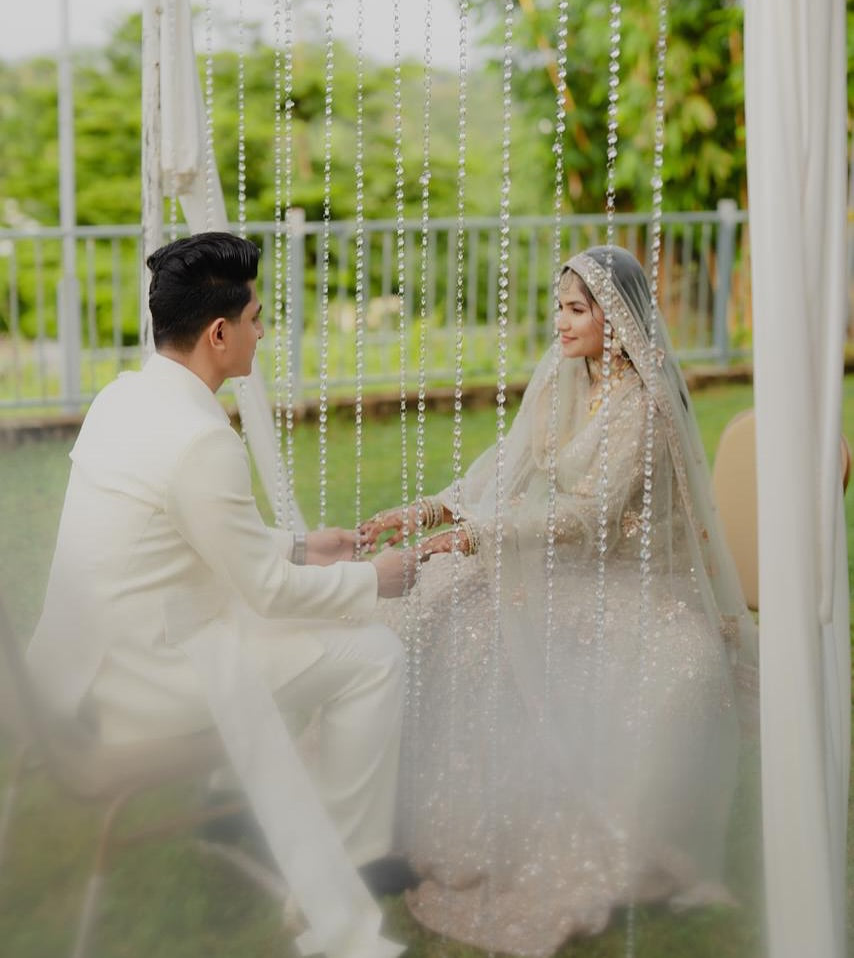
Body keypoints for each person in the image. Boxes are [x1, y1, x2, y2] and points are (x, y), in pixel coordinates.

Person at [361, 245, 760, 957]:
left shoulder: (645, 404)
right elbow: (503, 473)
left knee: (478, 610)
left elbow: (589, 518)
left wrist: (475, 536)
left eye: (577, 310)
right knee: (439, 605)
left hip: (634, 583)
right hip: (566, 570)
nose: (562, 322)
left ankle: (522, 828)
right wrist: (430, 512)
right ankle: (409, 825)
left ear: (617, 319)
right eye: (561, 306)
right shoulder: (563, 377)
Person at [27, 231, 417, 958]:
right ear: (219, 332)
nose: (262, 332)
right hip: (148, 679)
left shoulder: (124, 397)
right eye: (257, 318)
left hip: (90, 660)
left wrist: (303, 545)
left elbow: (180, 533)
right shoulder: (200, 439)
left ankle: (325, 846)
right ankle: (342, 870)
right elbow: (267, 593)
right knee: (376, 655)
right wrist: (374, 579)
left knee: (337, 645)